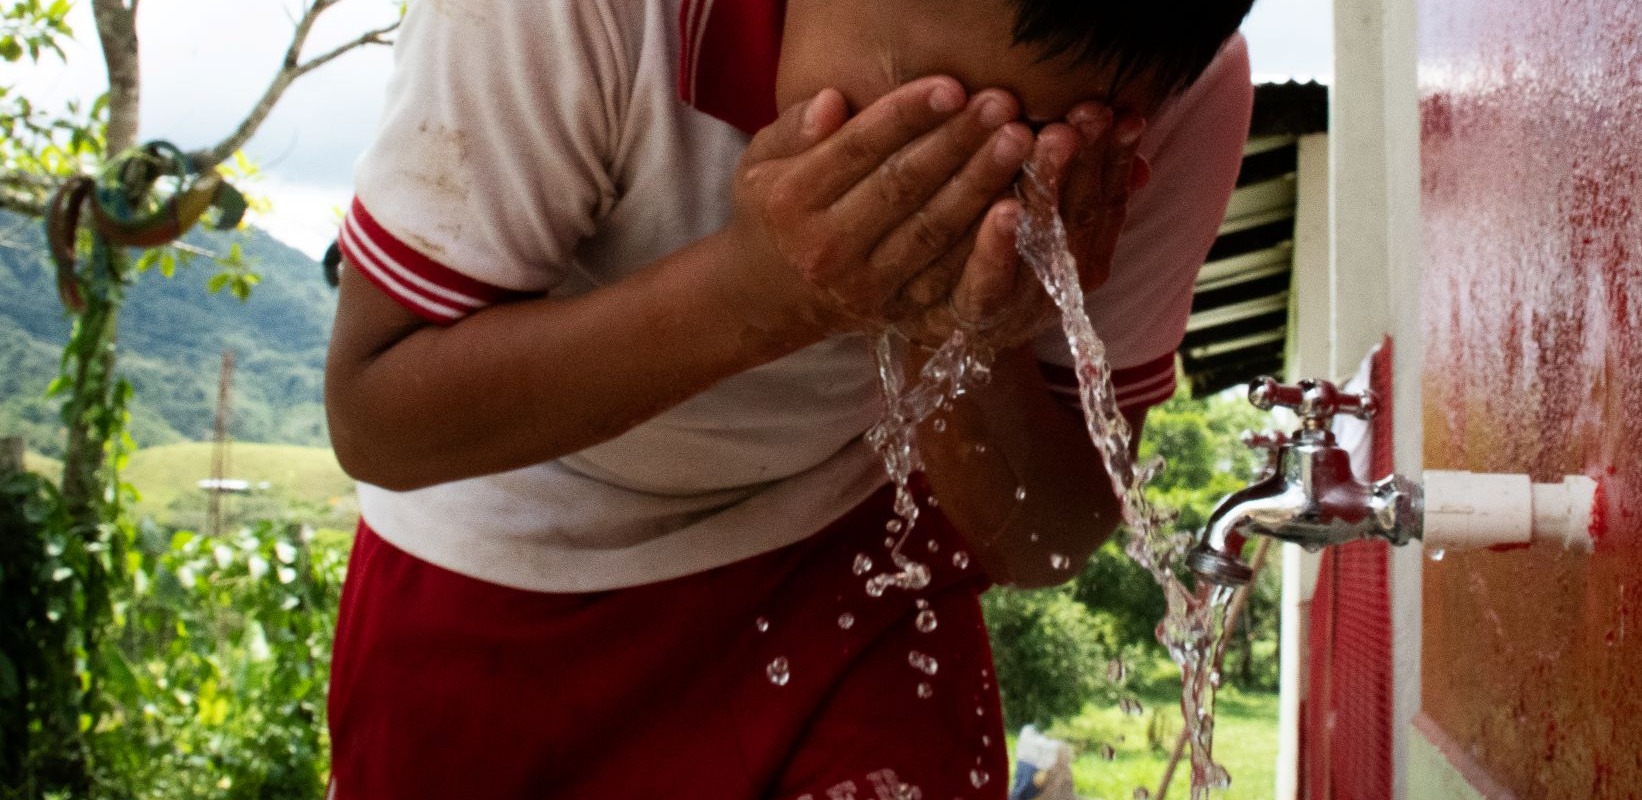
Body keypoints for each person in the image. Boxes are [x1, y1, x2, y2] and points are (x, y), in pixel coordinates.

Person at [322, 0, 1253, 796]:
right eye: (911, 117)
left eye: (1017, 166)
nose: (939, 185)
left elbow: (1044, 540)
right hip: (502, 559)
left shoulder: (1178, 81)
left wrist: (962, 332)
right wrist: (758, 292)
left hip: (856, 558)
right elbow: (378, 414)